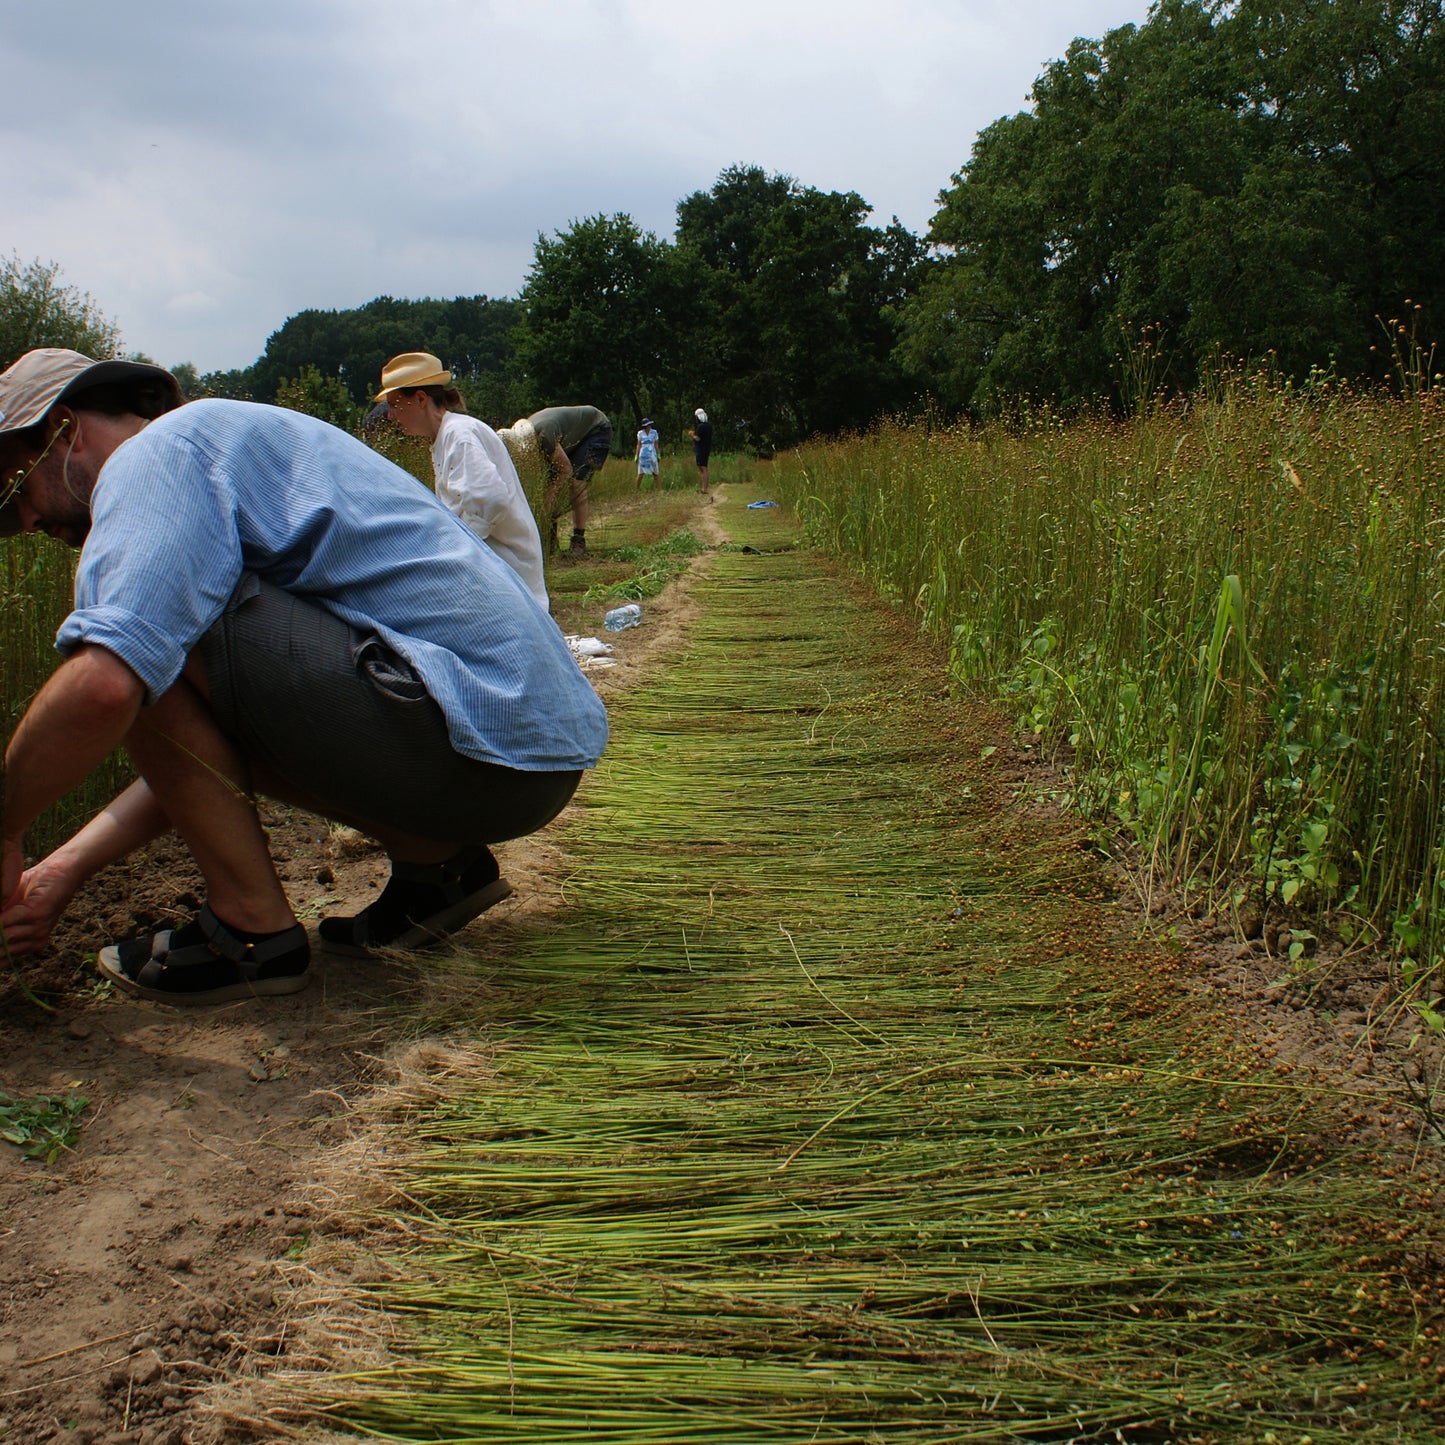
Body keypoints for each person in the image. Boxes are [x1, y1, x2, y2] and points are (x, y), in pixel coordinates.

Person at [0, 349, 608, 1006]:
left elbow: (107, 687)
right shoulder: (227, 443)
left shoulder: (155, 456)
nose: (29, 523)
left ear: (65, 431)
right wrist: (62, 867)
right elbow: (199, 755)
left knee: (137, 634)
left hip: (484, 737)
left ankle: (249, 932)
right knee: (153, 636)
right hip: (524, 751)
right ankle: (434, 864)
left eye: (17, 491)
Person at [376, 352, 547, 609]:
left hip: (509, 577)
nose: (390, 416)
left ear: (420, 398)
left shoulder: (459, 434)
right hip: (495, 573)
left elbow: (491, 499)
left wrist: (454, 555)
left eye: (395, 405)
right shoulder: (445, 436)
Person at [500, 405, 611, 556]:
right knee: (548, 484)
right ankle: (550, 541)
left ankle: (578, 541)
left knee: (576, 482)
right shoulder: (527, 435)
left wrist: (549, 496)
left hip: (595, 429)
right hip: (568, 437)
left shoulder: (544, 435)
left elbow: (566, 470)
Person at [687, 408, 713, 495]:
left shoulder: (701, 426)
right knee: (703, 468)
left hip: (701, 449)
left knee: (703, 468)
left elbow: (698, 438)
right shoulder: (708, 426)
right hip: (706, 448)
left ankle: (704, 489)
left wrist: (692, 435)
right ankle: (704, 487)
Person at [635, 416, 661, 492]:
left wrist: (658, 454)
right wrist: (637, 455)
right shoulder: (640, 433)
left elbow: (656, 444)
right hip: (643, 453)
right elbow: (639, 444)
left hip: (652, 452)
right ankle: (637, 489)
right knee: (641, 472)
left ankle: (659, 490)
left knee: (655, 472)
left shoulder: (654, 432)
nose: (649, 426)